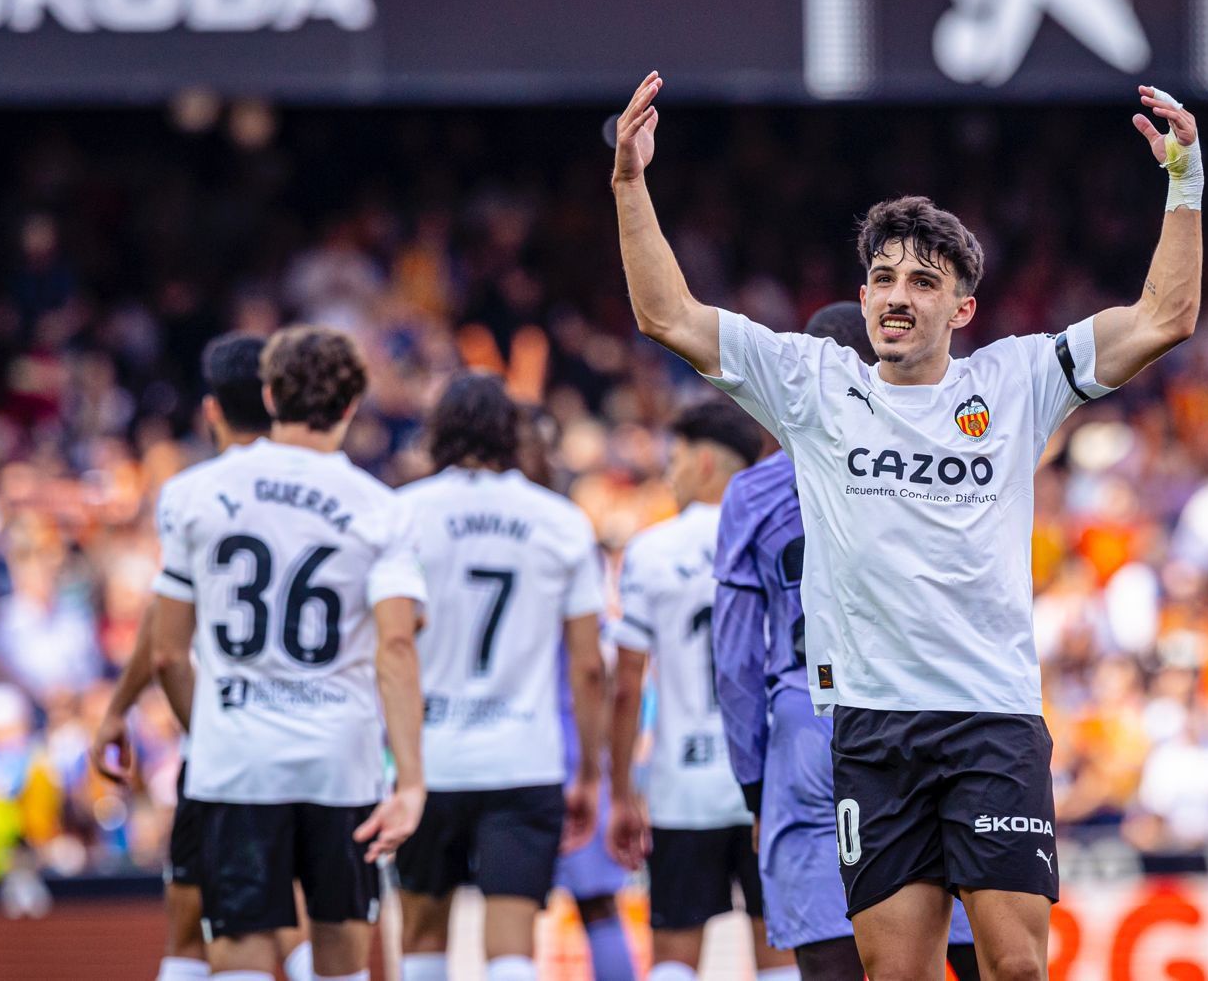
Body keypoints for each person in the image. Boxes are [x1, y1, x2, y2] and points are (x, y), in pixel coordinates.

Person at [610, 70, 1202, 979]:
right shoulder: (814, 384)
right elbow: (665, 314)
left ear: (961, 309)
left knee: (1015, 967)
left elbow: (1166, 315)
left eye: (923, 281)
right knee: (896, 973)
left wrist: (1184, 183)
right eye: (883, 276)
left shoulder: (1015, 382)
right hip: (872, 728)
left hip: (991, 721)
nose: (897, 295)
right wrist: (630, 186)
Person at [151, 325, 428, 981]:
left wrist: (216, 728)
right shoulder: (381, 507)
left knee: (240, 949)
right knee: (339, 953)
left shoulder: (192, 494)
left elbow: (166, 651)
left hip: (236, 759)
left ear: (270, 393)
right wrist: (411, 780)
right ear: (354, 404)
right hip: (341, 760)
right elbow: (395, 644)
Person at [713, 302, 979, 981]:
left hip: (806, 723)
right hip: (923, 712)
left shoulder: (752, 492)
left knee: (832, 962)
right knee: (964, 944)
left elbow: (737, 658)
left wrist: (753, 782)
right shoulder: (924, 459)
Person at [88, 333, 315, 981]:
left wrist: (124, 711)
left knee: (201, 924)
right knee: (298, 912)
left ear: (211, 410)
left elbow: (165, 641)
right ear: (275, 401)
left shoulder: (192, 496)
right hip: (314, 734)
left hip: (230, 735)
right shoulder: (327, 489)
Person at [394, 373, 607, 981]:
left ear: (438, 434)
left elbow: (384, 642)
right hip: (524, 758)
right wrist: (589, 773)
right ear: (512, 436)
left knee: (423, 934)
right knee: (511, 944)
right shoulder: (560, 520)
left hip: (427, 760)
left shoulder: (402, 515)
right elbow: (589, 666)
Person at [605, 400, 798, 981]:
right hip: (772, 779)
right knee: (782, 948)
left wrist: (621, 791)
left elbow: (627, 684)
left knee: (674, 956)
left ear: (709, 463)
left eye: (677, 458)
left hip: (681, 784)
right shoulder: (783, 537)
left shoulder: (652, 549)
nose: (670, 471)